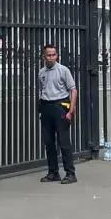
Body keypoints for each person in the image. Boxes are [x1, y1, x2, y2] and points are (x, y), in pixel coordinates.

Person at [38, 44, 78, 184]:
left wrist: (70, 110)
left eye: (53, 54)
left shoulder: (63, 70)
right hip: (46, 107)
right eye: (48, 55)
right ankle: (53, 172)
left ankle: (70, 173)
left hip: (60, 106)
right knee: (49, 142)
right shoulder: (41, 72)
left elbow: (73, 90)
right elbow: (42, 90)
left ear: (57, 56)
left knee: (64, 141)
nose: (51, 58)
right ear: (44, 56)